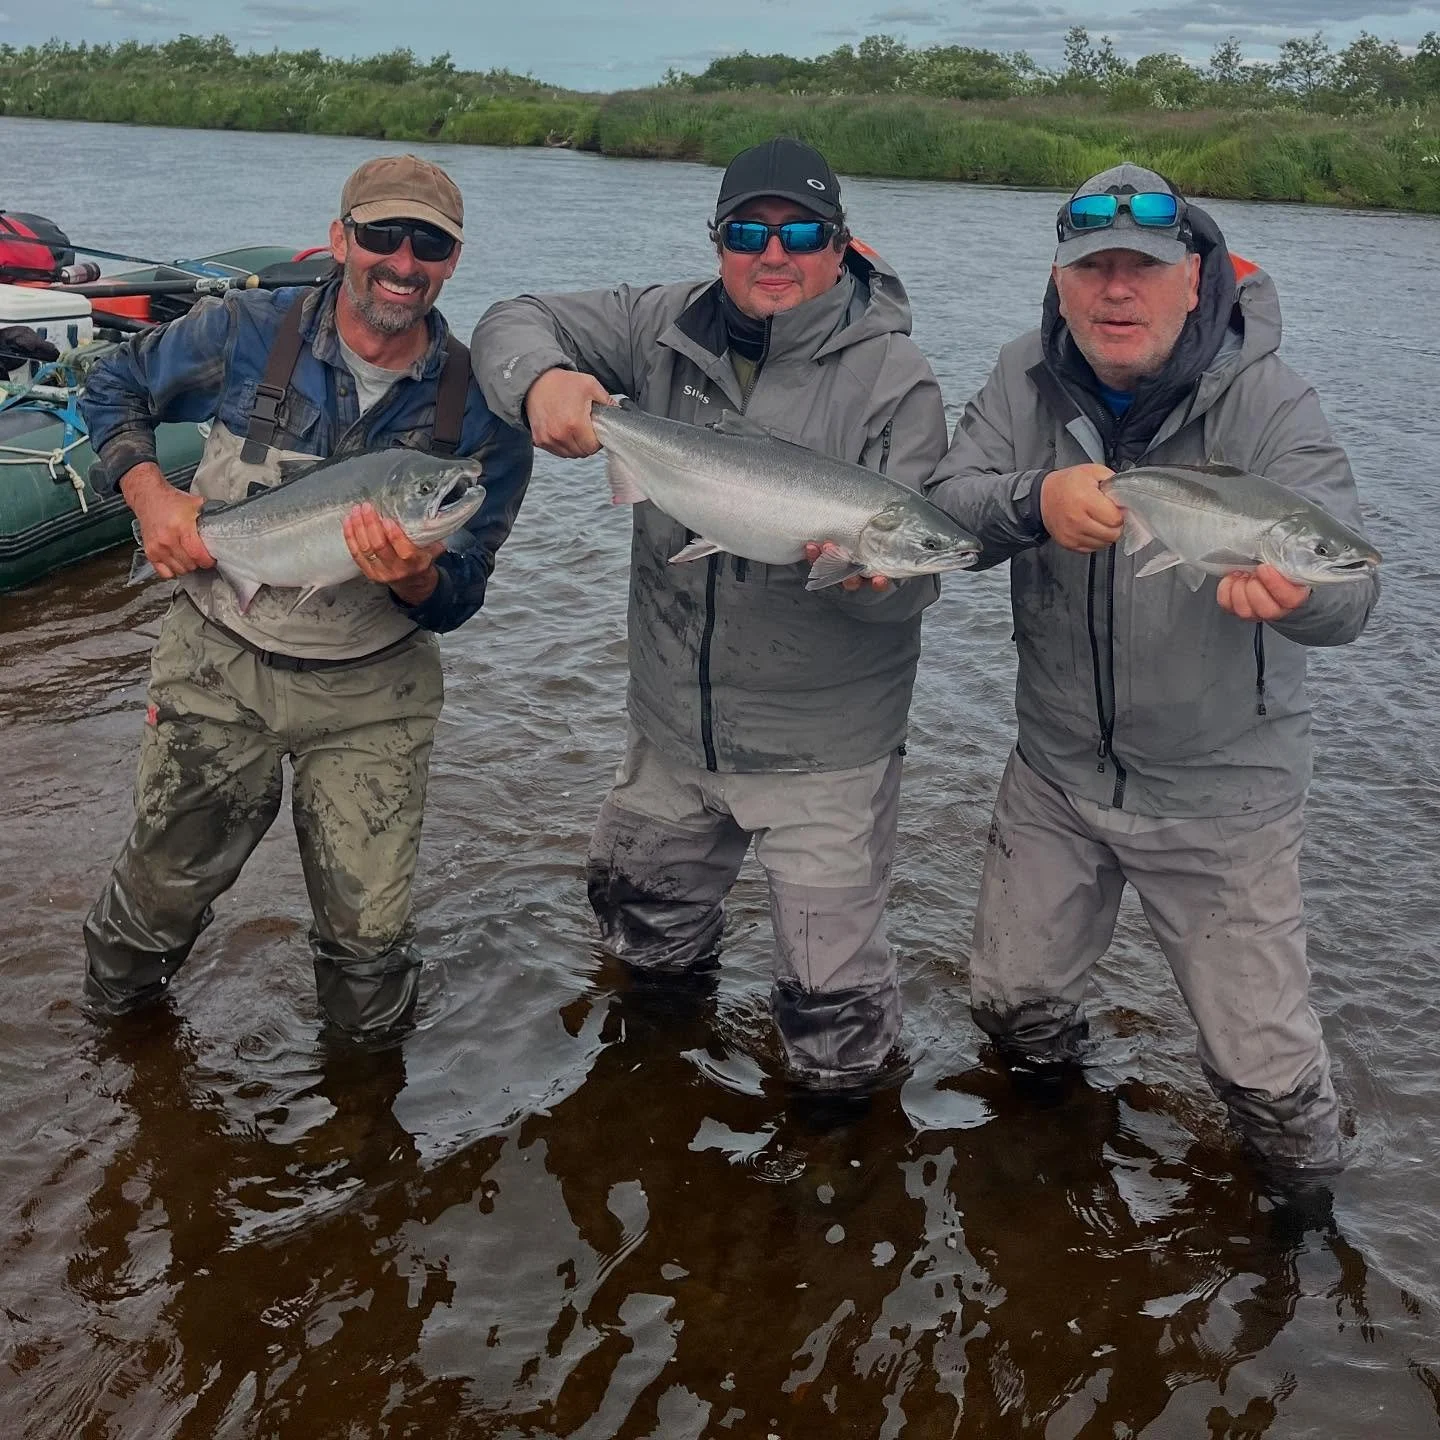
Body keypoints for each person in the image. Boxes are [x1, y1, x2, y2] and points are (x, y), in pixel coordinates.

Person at [924, 163, 1379, 1184]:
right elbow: (942, 512)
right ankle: (1042, 1172)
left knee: (1267, 1083)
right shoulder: (1021, 377)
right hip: (1055, 776)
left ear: (1195, 277)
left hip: (1223, 797)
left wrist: (1298, 598)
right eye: (1093, 269)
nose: (1116, 291)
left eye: (1143, 268)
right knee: (1013, 1011)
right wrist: (1035, 501)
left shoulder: (1271, 400)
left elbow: (1355, 595)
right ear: (1060, 281)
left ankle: (1303, 1227)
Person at [471, 138, 949, 1090]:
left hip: (824, 754)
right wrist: (542, 381)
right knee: (641, 959)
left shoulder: (901, 383)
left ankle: (835, 1158)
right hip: (670, 732)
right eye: (748, 233)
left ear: (840, 245)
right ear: (718, 240)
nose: (773, 254)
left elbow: (922, 581)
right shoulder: (660, 326)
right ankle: (648, 1117)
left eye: (800, 234)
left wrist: (879, 582)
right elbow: (506, 320)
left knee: (833, 1035)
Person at [80, 153, 533, 1039]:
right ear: (340, 239)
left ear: (454, 260)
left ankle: (363, 1093)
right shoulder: (246, 330)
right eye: (382, 235)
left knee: (370, 947)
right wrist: (150, 494)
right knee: (156, 903)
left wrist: (419, 578)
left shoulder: (482, 408)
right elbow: (113, 386)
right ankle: (110, 1051)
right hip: (218, 665)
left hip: (374, 690)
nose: (403, 262)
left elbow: (465, 590)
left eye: (429, 244)